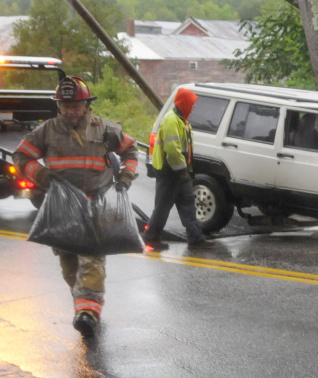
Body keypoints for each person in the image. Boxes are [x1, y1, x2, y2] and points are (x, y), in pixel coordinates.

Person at [14, 76, 139, 338]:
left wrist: (125, 177)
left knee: (93, 261)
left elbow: (131, 150)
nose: (70, 111)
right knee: (69, 264)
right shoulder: (47, 130)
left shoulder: (103, 129)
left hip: (96, 205)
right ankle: (85, 303)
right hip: (62, 208)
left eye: (76, 106)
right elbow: (22, 155)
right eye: (65, 106)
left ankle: (88, 314)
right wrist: (42, 175)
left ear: (86, 105)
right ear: (59, 105)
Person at [143, 88, 217, 252]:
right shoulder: (171, 121)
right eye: (192, 104)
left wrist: (186, 172)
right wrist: (182, 171)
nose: (194, 107)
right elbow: (173, 150)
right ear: (185, 103)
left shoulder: (181, 120)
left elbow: (182, 150)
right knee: (163, 207)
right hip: (170, 172)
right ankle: (151, 238)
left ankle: (196, 239)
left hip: (179, 172)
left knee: (188, 205)